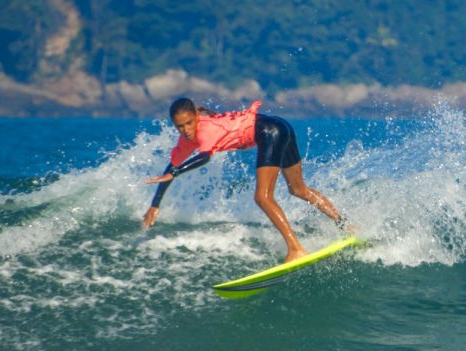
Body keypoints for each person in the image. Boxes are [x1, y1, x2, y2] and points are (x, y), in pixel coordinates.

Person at [143, 98, 353, 262]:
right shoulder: (187, 139)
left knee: (262, 197)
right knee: (298, 189)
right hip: (281, 126)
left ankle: (296, 249)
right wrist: (155, 204)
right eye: (180, 126)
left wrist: (176, 173)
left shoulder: (206, 129)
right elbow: (171, 167)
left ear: (197, 116)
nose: (186, 130)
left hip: (270, 132)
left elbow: (204, 157)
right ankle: (347, 226)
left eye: (189, 123)